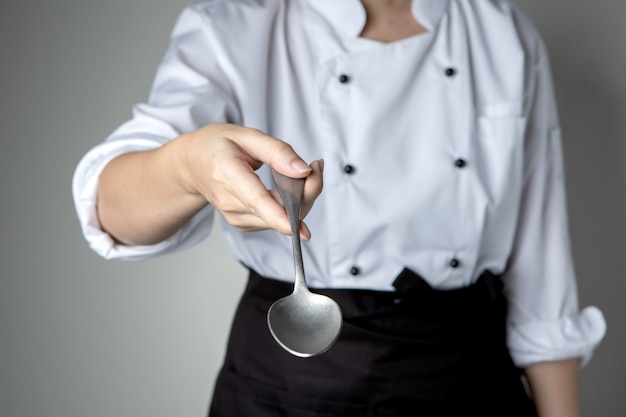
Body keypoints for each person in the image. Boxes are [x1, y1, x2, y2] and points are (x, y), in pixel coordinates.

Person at [72, 0, 606, 415]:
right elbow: (111, 209)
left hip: (469, 379)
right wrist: (187, 167)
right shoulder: (232, 25)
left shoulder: (504, 33)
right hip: (289, 386)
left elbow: (542, 278)